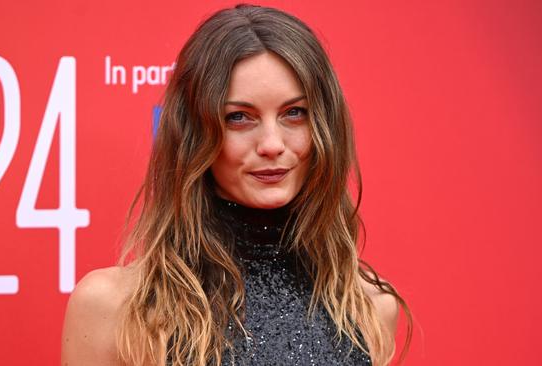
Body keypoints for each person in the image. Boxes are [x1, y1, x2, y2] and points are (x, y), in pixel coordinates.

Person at [61, 3, 412, 366]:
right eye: (239, 118)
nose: (272, 143)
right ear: (194, 135)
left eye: (294, 112)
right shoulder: (116, 309)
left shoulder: (367, 307)